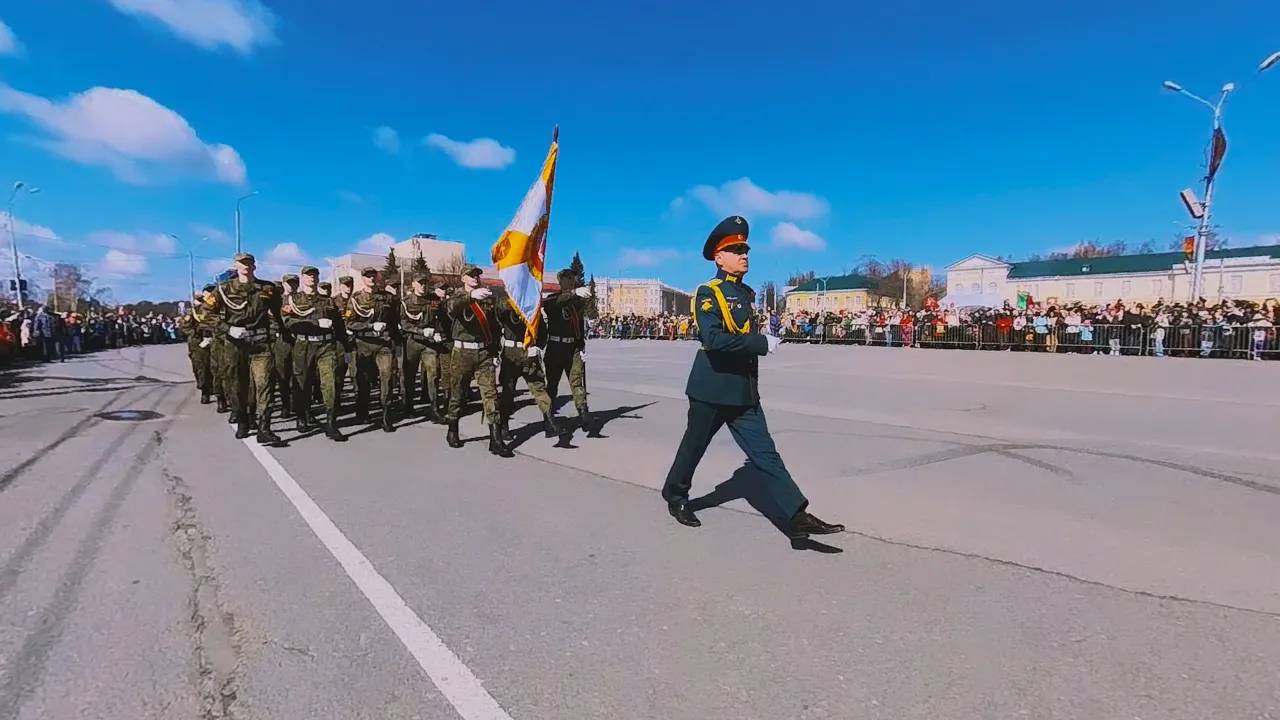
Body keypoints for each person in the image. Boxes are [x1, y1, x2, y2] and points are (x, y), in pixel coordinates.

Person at [661, 216, 844, 541]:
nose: (744, 254)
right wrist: (761, 343)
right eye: (735, 249)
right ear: (719, 257)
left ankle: (796, 516)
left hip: (743, 391)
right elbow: (713, 339)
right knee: (694, 447)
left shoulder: (744, 292)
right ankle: (675, 495)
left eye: (745, 249)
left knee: (765, 453)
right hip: (712, 387)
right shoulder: (707, 292)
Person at [217, 253, 286, 444]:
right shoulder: (224, 289)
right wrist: (228, 328)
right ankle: (243, 420)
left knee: (264, 384)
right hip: (236, 345)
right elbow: (208, 314)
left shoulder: (267, 288)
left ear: (254, 266)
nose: (245, 266)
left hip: (261, 345)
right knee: (237, 385)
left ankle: (264, 428)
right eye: (242, 263)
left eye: (249, 263)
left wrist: (280, 333)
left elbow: (276, 313)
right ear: (236, 266)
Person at [444, 265, 512, 457]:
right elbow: (452, 308)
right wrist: (471, 297)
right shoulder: (456, 296)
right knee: (457, 393)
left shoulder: (487, 297)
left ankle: (495, 439)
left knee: (491, 395)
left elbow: (496, 323)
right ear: (463, 278)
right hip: (462, 353)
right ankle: (453, 428)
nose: (475, 277)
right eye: (471, 275)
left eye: (477, 275)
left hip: (483, 353)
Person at [283, 266, 346, 441]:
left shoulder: (327, 301)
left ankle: (331, 423)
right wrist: (315, 323)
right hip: (303, 345)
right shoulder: (293, 300)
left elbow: (339, 325)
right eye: (309, 275)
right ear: (303, 278)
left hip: (326, 345)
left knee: (330, 383)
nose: (312, 278)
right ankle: (302, 416)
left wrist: (345, 347)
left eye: (315, 275)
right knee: (302, 382)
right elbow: (288, 322)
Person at [495, 292, 560, 443]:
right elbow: (499, 314)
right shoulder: (504, 300)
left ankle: (549, 423)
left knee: (539, 388)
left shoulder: (532, 305)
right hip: (510, 353)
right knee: (508, 391)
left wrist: (537, 347)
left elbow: (542, 329)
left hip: (529, 352)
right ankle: (503, 425)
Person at [543, 268, 599, 436]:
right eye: (568, 279)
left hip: (572, 348)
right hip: (555, 348)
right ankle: (548, 419)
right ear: (561, 281)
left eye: (573, 278)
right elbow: (555, 304)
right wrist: (574, 293)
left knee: (577, 383)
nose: (571, 281)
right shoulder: (552, 299)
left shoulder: (577, 303)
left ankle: (584, 416)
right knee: (552, 386)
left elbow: (581, 325)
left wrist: (581, 345)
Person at [344, 267, 399, 432]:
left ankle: (386, 414)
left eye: (373, 276)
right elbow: (350, 323)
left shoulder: (387, 298)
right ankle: (363, 410)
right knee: (364, 380)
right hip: (364, 344)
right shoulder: (355, 298)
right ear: (363, 278)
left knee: (387, 378)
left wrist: (397, 341)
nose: (371, 279)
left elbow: (394, 320)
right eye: (368, 276)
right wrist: (369, 325)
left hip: (383, 344)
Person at [399, 274, 446, 424]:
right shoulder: (406, 302)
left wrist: (439, 332)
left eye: (425, 283)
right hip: (412, 342)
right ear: (413, 284)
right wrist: (420, 331)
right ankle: (408, 406)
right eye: (420, 283)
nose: (423, 286)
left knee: (433, 373)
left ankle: (434, 408)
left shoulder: (434, 300)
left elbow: (440, 319)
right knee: (409, 375)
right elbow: (404, 324)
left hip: (429, 343)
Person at [184, 285, 222, 405]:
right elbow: (186, 326)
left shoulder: (219, 308)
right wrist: (197, 333)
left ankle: (221, 397)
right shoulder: (196, 310)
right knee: (202, 369)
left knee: (218, 370)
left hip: (216, 341)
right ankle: (205, 391)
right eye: (207, 294)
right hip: (200, 344)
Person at [272, 273, 300, 419]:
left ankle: (297, 404)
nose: (292, 285)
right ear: (283, 284)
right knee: (283, 375)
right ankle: (285, 405)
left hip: (299, 340)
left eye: (295, 282)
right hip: (283, 340)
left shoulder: (302, 299)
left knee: (299, 375)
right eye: (289, 282)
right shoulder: (277, 301)